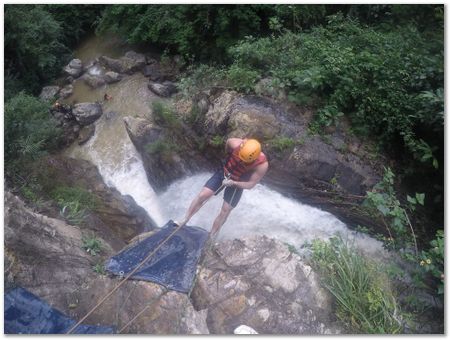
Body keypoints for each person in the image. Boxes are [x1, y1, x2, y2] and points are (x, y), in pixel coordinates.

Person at [177, 137, 269, 237]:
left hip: (237, 183)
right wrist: (228, 158)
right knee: (203, 195)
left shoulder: (262, 165)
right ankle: (185, 220)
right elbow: (228, 147)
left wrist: (233, 183)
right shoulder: (234, 143)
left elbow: (250, 184)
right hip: (224, 172)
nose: (242, 161)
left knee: (226, 209)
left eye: (245, 161)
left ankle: (212, 235)